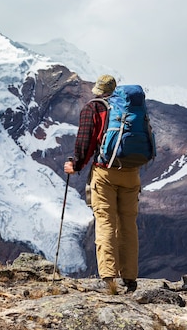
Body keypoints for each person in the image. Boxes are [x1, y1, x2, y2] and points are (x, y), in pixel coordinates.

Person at [64, 74, 141, 293]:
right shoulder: (131, 108)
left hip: (105, 172)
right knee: (128, 224)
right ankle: (130, 278)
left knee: (106, 221)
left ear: (98, 90)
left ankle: (108, 279)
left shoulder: (94, 108)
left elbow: (85, 142)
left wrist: (75, 165)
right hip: (131, 172)